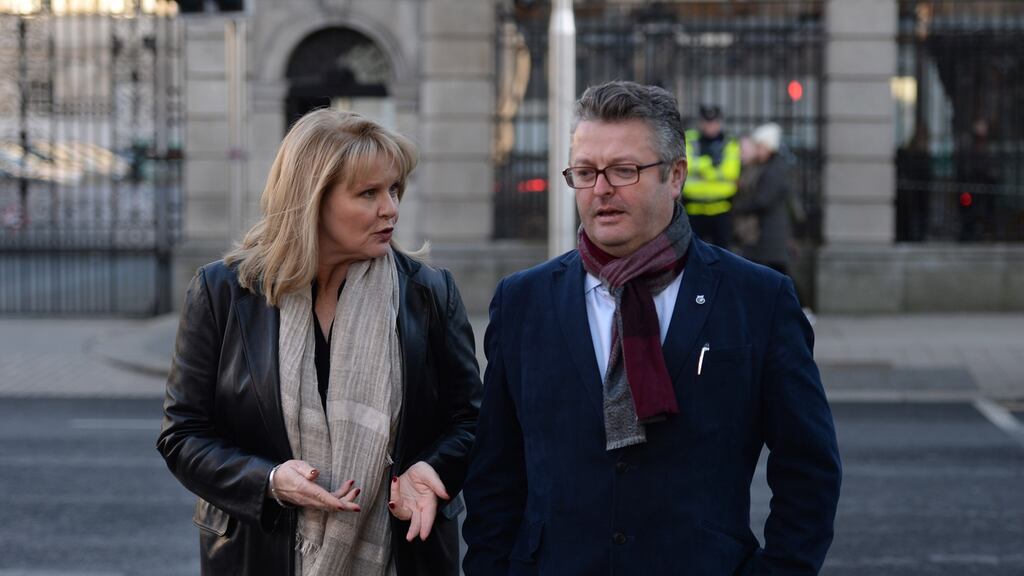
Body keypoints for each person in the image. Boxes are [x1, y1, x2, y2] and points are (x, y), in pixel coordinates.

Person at [462, 81, 841, 575]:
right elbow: (495, 472)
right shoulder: (523, 302)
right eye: (585, 172)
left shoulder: (759, 299)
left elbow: (808, 469)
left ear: (675, 175)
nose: (601, 189)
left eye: (624, 170)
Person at [157, 109, 482, 576]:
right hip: (259, 556)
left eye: (394, 190)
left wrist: (432, 469)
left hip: (400, 557)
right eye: (368, 193)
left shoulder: (427, 295)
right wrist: (268, 480)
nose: (390, 207)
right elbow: (182, 435)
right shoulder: (224, 293)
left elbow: (470, 420)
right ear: (312, 200)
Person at [732, 122, 797, 277]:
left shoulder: (774, 168)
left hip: (771, 231)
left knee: (778, 273)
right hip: (767, 231)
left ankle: (796, 301)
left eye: (759, 146)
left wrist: (739, 207)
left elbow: (763, 200)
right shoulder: (768, 165)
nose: (757, 150)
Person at [681, 103, 742, 247]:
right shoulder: (689, 139)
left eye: (714, 122)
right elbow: (685, 164)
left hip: (722, 209)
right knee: (693, 253)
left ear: (720, 123)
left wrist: (702, 168)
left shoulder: (730, 142)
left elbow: (731, 171)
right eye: (707, 122)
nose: (710, 126)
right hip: (693, 209)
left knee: (723, 255)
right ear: (701, 122)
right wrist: (710, 165)